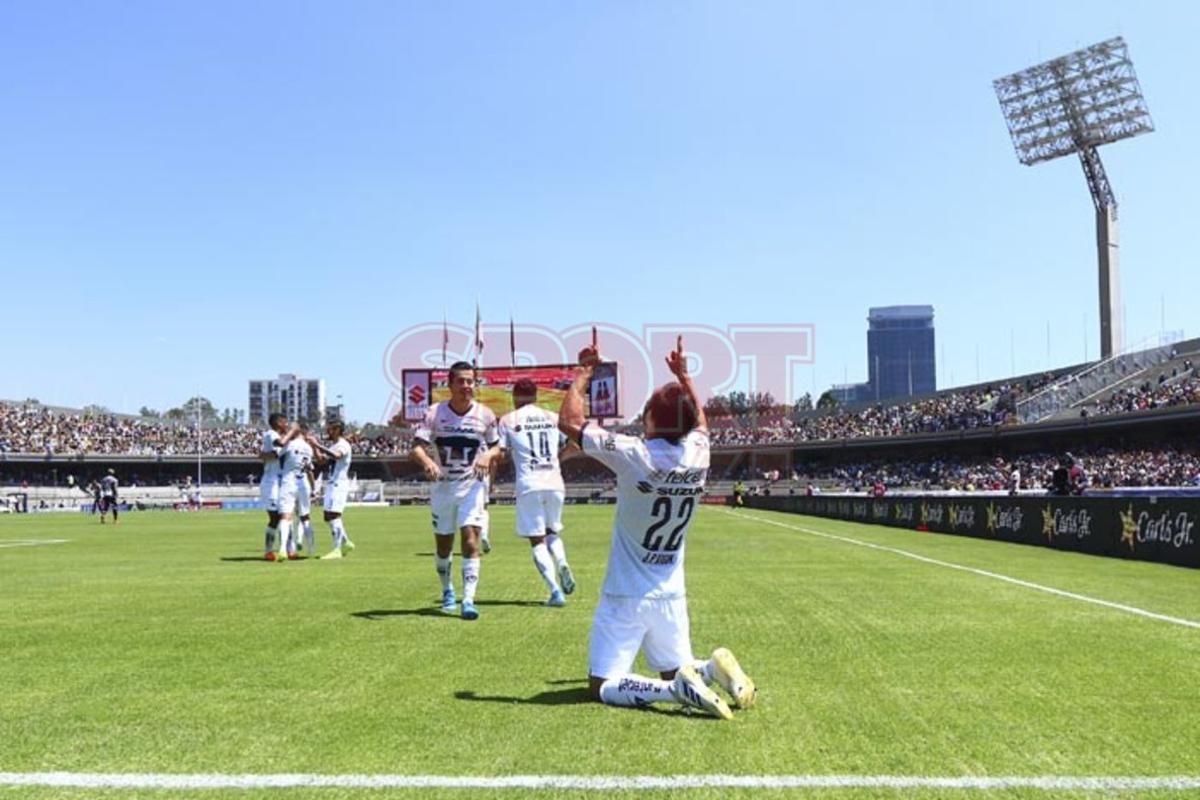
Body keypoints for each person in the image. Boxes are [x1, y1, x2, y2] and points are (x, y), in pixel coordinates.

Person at [558, 333, 755, 719]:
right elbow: (700, 421)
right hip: (671, 592)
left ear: (650, 418)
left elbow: (569, 422)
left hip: (626, 594)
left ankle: (673, 692)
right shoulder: (699, 452)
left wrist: (584, 372)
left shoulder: (636, 454)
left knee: (602, 685)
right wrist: (685, 377)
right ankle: (712, 670)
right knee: (675, 665)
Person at [411, 361, 500, 620]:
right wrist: (427, 461)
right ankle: (447, 589)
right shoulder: (434, 413)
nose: (466, 386)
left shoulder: (485, 414)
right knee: (443, 546)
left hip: (471, 486)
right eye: (460, 381)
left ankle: (468, 600)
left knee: (470, 540)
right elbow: (416, 447)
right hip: (443, 488)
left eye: (470, 381)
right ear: (449, 385)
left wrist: (488, 457)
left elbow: (497, 447)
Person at [496, 378, 576, 606]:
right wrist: (558, 459)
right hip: (554, 481)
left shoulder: (509, 419)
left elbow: (500, 453)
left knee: (537, 540)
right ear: (536, 395)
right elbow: (575, 442)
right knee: (552, 532)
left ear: (514, 396)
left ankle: (555, 591)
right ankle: (561, 560)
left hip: (529, 483)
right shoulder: (552, 417)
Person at [305, 419, 355, 559]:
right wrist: (314, 447)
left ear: (338, 430)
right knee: (328, 517)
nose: (328, 431)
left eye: (330, 429)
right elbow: (321, 461)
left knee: (333, 515)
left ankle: (337, 549)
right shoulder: (334, 445)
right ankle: (346, 542)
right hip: (332, 483)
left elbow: (337, 456)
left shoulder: (343, 445)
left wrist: (318, 445)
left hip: (339, 483)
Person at [259, 413, 300, 561]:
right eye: (285, 422)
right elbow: (280, 444)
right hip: (271, 483)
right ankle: (268, 550)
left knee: (286, 515)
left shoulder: (286, 438)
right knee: (275, 518)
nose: (287, 424)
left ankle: (290, 549)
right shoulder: (271, 434)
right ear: (278, 422)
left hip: (282, 482)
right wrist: (291, 431)